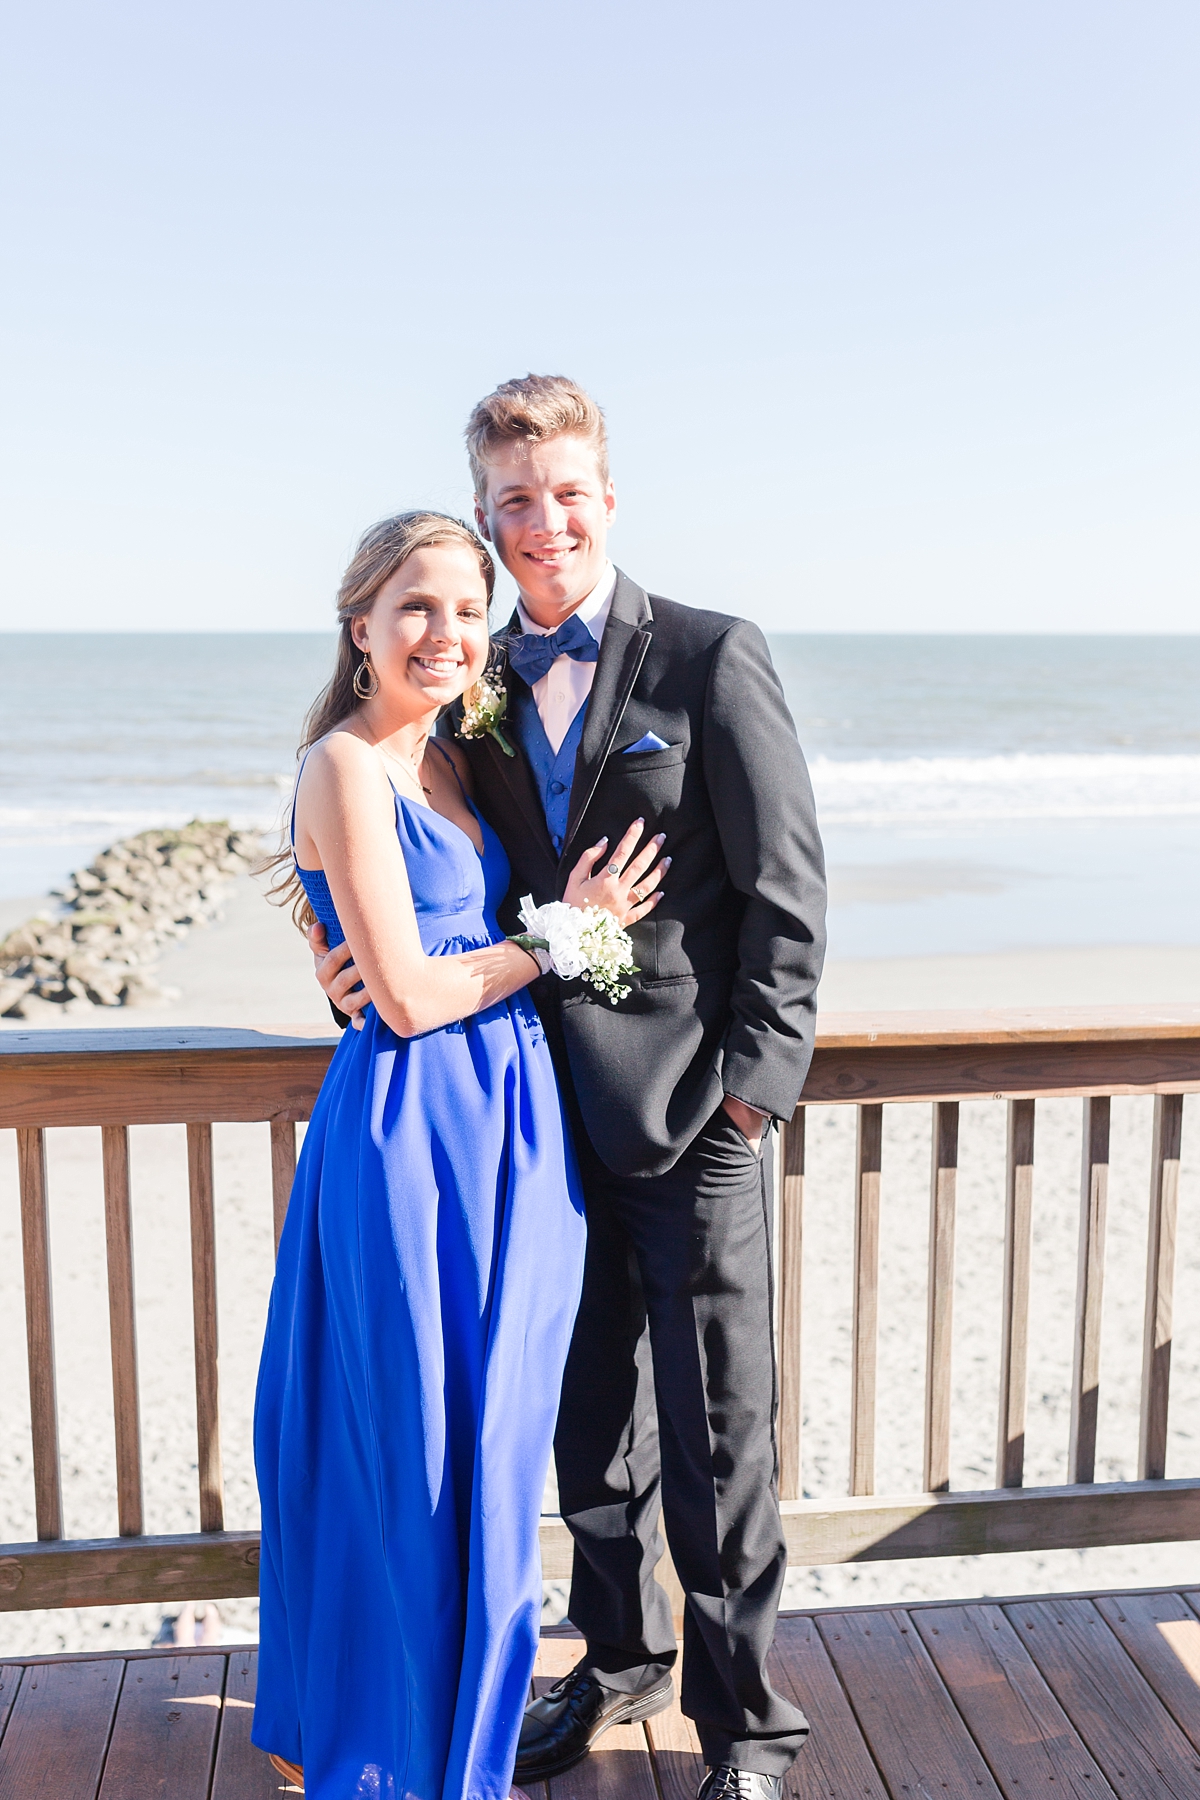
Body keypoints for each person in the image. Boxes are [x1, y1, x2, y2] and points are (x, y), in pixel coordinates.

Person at [314, 378, 828, 1800]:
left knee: (720, 1446)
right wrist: (330, 949)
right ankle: (616, 1669)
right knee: (587, 1433)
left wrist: (752, 1100)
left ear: (609, 495)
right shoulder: (468, 686)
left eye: (568, 493)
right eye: (516, 503)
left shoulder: (714, 659)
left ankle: (750, 1735)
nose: (545, 524)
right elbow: (389, 831)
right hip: (530, 1127)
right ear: (489, 514)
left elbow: (787, 899)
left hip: (690, 1124)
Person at [252, 509, 666, 1799]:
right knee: (420, 1447)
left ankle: (465, 1733)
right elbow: (416, 998)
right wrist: (564, 936)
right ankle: (403, 1752)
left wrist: (369, 965)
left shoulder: (458, 756)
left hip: (514, 1126)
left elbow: (402, 953)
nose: (448, 632)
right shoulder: (344, 764)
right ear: (360, 624)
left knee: (497, 1444)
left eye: (469, 610)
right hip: (410, 1135)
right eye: (417, 607)